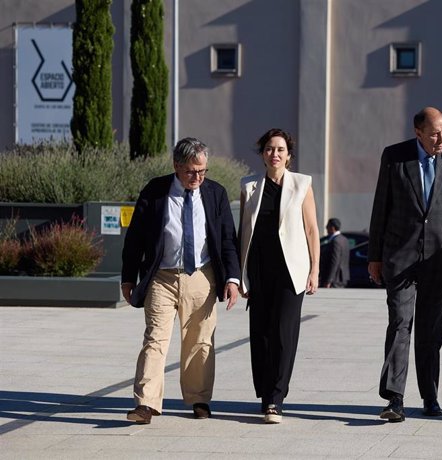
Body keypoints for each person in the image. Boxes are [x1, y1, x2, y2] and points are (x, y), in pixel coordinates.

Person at [121, 137, 241, 424]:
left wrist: (233, 278)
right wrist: (128, 277)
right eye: (191, 171)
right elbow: (135, 237)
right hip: (161, 278)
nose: (197, 177)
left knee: (200, 341)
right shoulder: (155, 191)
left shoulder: (215, 194)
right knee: (155, 339)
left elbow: (227, 240)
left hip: (202, 276)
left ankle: (199, 399)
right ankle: (146, 404)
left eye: (202, 171)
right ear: (176, 166)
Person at [368, 107, 442, 422]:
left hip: (439, 260)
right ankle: (394, 399)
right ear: (418, 133)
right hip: (399, 259)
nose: (440, 138)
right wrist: (375, 256)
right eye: (433, 133)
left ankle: (430, 397)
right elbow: (380, 207)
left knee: (430, 330)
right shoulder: (395, 156)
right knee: (400, 324)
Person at [238, 128, 320, 424]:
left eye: (281, 150)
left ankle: (276, 399)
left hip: (291, 271)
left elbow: (312, 229)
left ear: (289, 155)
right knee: (260, 334)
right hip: (258, 270)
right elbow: (242, 232)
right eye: (270, 149)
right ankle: (264, 393)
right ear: (262, 154)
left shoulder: (302, 184)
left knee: (284, 334)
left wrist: (315, 269)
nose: (275, 154)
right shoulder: (249, 186)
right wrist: (240, 274)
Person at [320, 217, 350, 288]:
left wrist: (329, 280)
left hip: (335, 279)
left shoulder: (335, 241)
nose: (326, 228)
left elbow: (334, 262)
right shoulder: (344, 239)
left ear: (332, 227)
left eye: (327, 226)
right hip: (342, 277)